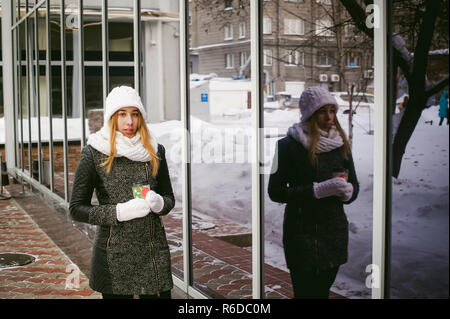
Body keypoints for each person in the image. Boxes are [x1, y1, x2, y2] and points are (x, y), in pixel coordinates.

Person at [69, 86, 175, 299]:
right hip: (113, 254)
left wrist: (159, 204)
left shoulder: (155, 150)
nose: (130, 122)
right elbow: (76, 209)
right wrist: (118, 212)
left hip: (153, 253)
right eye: (122, 114)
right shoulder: (95, 153)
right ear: (111, 118)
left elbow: (169, 198)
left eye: (135, 114)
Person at [268, 86, 359, 299]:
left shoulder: (341, 145)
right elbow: (275, 192)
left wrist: (348, 192)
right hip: (301, 232)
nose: (329, 117)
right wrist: (316, 190)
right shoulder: (286, 146)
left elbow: (354, 186)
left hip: (333, 232)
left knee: (321, 293)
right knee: (305, 294)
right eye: (322, 111)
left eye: (332, 111)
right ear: (310, 114)